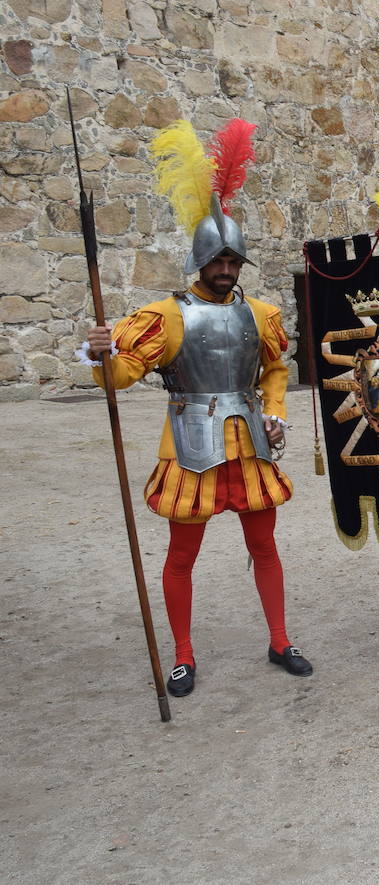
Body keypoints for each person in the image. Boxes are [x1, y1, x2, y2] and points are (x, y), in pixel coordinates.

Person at [79, 118, 310, 697]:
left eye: (235, 261)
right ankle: (183, 655)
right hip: (190, 445)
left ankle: (280, 639)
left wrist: (276, 407)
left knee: (265, 546)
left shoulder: (260, 313)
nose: (227, 269)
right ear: (201, 261)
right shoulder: (167, 315)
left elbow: (276, 369)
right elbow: (126, 374)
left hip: (251, 444)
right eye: (219, 260)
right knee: (183, 554)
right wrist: (101, 356)